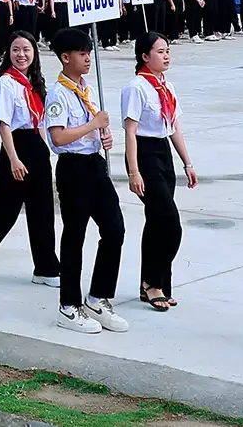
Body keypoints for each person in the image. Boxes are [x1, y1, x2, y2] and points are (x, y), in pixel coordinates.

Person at [0, 30, 59, 287]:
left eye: (26, 49)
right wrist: (14, 159)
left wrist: (47, 149)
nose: (21, 55)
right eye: (16, 49)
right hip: (15, 147)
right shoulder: (5, 83)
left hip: (36, 147)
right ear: (8, 53)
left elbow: (40, 121)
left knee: (43, 210)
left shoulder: (35, 83)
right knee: (6, 211)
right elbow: (3, 123)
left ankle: (46, 267)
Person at [44, 27, 125, 335]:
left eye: (89, 53)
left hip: (95, 164)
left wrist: (102, 134)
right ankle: (68, 305)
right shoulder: (59, 93)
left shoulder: (87, 88)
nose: (88, 58)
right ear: (65, 58)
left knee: (114, 229)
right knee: (75, 235)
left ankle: (97, 296)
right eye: (81, 54)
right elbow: (59, 137)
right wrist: (93, 124)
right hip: (73, 168)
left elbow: (91, 127)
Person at [122, 32, 197, 312]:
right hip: (144, 153)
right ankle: (151, 283)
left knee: (156, 222)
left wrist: (187, 163)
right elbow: (130, 131)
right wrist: (133, 171)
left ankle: (157, 284)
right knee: (169, 222)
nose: (166, 56)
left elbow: (174, 127)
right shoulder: (137, 87)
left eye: (168, 51)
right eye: (160, 51)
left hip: (163, 153)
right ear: (144, 56)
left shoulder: (167, 86)